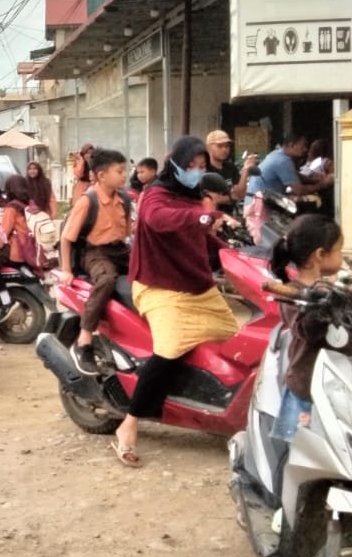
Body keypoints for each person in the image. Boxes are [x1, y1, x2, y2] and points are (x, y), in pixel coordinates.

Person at [111, 136, 240, 467]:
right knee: (170, 348)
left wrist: (234, 253)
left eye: (201, 167)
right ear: (176, 165)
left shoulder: (196, 198)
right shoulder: (157, 195)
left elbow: (201, 241)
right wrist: (201, 218)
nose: (196, 172)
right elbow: (160, 220)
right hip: (159, 285)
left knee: (233, 338)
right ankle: (131, 422)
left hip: (196, 285)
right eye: (190, 166)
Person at [268, 215, 348, 440]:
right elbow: (306, 331)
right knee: (302, 451)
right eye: (339, 250)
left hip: (338, 383)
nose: (343, 256)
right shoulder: (292, 293)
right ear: (320, 255)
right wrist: (326, 301)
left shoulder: (336, 287)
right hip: (308, 386)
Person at [56, 149, 132, 366]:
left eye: (125, 170)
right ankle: (85, 337)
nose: (124, 175)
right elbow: (66, 238)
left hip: (120, 250)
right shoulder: (87, 201)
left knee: (150, 272)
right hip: (95, 253)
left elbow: (127, 234)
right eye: (119, 171)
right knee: (107, 279)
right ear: (101, 176)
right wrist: (67, 270)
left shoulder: (124, 199)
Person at [246, 135, 333, 243]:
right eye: (303, 146)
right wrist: (323, 184)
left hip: (260, 201)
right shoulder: (283, 160)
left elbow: (296, 176)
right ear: (292, 145)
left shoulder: (276, 154)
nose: (305, 149)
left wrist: (316, 180)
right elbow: (299, 190)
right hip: (260, 205)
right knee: (269, 243)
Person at [204, 130, 256, 214]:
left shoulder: (230, 167)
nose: (224, 149)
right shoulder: (203, 168)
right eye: (220, 146)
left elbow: (240, 194)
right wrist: (232, 197)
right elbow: (211, 199)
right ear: (208, 147)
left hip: (229, 216)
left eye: (227, 146)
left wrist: (246, 170)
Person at [1, 175, 36, 266]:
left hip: (18, 250)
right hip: (33, 247)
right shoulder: (32, 203)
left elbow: (4, 231)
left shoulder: (12, 207)